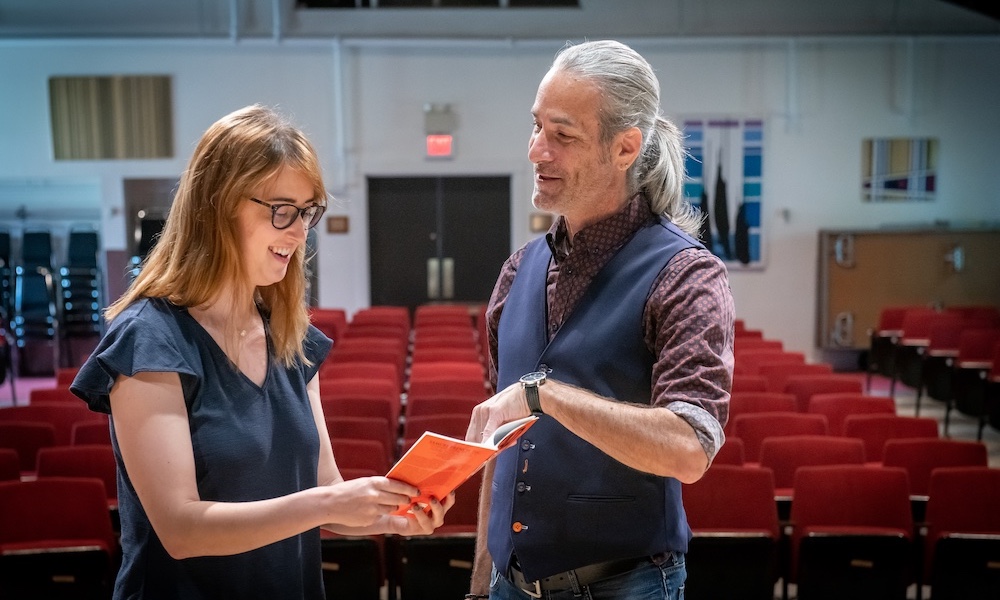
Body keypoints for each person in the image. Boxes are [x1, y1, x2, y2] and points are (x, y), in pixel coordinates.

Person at [71, 105, 453, 599]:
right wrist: (327, 503)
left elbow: (325, 487)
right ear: (218, 205)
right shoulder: (149, 339)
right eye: (281, 211)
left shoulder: (292, 338)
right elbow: (181, 530)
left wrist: (390, 517)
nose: (298, 234)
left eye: (307, 212)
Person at [464, 40, 734, 600]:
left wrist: (546, 396)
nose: (537, 150)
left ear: (625, 148)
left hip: (626, 585)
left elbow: (689, 449)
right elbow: (502, 443)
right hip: (509, 585)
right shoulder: (518, 270)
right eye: (536, 127)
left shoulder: (686, 274)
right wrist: (480, 580)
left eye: (562, 136)